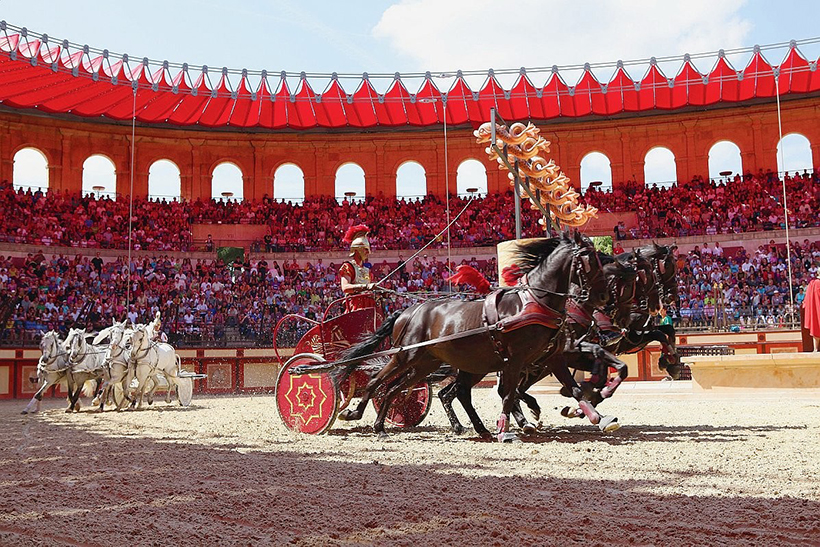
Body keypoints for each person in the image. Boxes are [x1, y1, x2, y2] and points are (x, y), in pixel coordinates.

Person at [339, 225, 376, 312]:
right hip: (355, 306)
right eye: (365, 249)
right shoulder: (348, 266)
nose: (368, 252)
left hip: (368, 305)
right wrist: (365, 286)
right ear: (356, 250)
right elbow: (345, 287)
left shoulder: (367, 270)